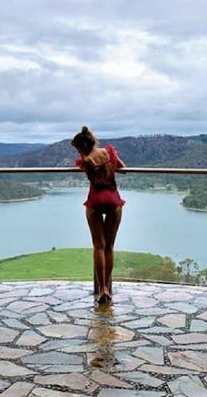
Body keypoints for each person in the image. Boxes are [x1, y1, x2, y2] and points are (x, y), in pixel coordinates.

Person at [71, 126, 126, 304]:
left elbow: (87, 170)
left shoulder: (86, 160)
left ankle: (101, 288)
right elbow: (123, 168)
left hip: (95, 200)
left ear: (81, 147)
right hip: (113, 199)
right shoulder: (109, 151)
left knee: (98, 246)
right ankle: (108, 288)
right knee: (109, 247)